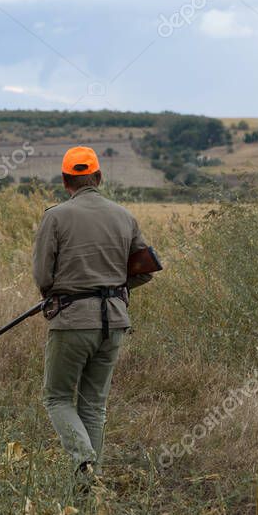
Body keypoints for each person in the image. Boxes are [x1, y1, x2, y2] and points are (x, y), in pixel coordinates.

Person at [31, 146, 153, 489]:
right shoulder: (125, 217)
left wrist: (63, 292)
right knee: (93, 405)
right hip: (114, 322)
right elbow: (145, 271)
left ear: (66, 181)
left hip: (72, 321)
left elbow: (42, 276)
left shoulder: (55, 217)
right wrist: (113, 287)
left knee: (56, 397)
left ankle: (82, 456)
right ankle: (89, 485)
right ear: (99, 178)